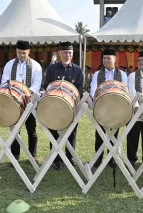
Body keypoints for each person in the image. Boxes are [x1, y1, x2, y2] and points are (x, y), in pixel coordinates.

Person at [43, 41, 83, 170]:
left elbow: (80, 89)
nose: (67, 55)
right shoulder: (52, 68)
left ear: (72, 54)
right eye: (65, 52)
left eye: (69, 53)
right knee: (54, 130)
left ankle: (69, 157)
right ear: (59, 53)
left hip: (71, 107)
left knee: (71, 132)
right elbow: (46, 86)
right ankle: (56, 159)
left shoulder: (78, 70)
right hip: (54, 107)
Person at [2, 41, 42, 163]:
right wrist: (15, 94)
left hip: (29, 101)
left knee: (31, 129)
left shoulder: (35, 66)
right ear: (16, 52)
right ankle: (15, 156)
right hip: (14, 102)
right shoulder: (9, 65)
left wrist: (26, 93)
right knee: (15, 130)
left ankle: (32, 155)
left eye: (24, 53)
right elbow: (5, 81)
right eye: (19, 53)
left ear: (29, 52)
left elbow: (37, 84)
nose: (22, 55)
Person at [89, 49, 128, 169]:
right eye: (104, 58)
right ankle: (98, 158)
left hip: (116, 108)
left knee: (114, 134)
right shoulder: (97, 74)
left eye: (108, 58)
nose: (106, 60)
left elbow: (125, 90)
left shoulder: (122, 74)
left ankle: (112, 159)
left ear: (115, 60)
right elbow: (93, 90)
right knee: (99, 134)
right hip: (101, 107)